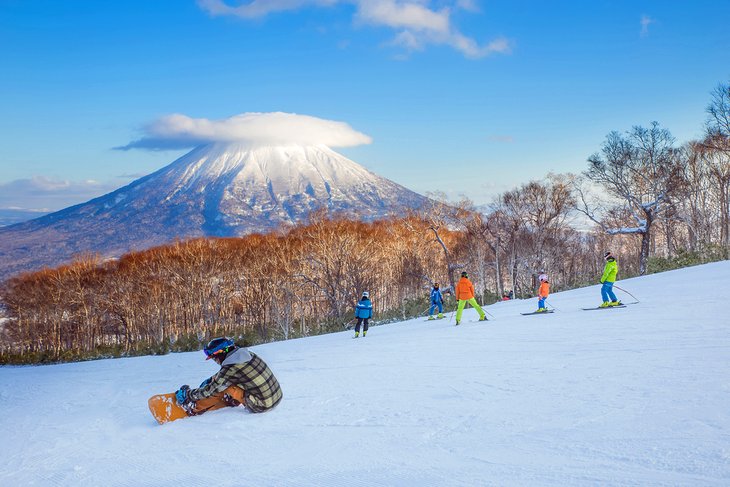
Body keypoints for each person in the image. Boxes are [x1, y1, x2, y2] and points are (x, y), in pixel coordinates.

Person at [174, 337, 283, 416]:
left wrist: (189, 395)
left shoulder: (230, 367)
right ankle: (233, 400)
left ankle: (194, 407)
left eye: (213, 357)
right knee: (228, 382)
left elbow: (211, 389)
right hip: (275, 397)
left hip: (262, 405)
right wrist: (213, 379)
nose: (215, 361)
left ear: (220, 353)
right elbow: (229, 376)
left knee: (225, 387)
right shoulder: (247, 355)